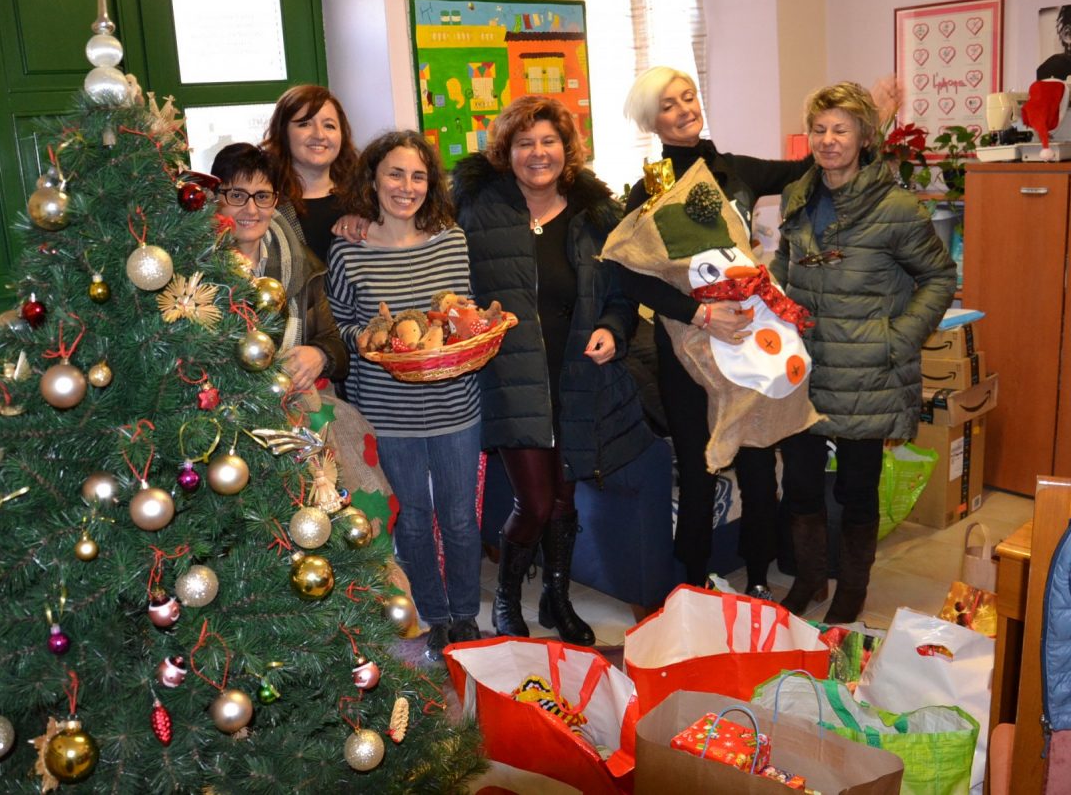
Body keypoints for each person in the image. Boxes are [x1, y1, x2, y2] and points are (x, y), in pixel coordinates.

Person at [453, 96, 653, 644]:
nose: (537, 153)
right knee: (536, 501)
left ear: (567, 150)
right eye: (524, 143)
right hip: (509, 377)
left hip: (577, 377)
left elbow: (621, 293)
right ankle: (508, 601)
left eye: (548, 142)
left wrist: (614, 328)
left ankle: (557, 600)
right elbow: (416, 229)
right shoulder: (476, 205)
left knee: (565, 499)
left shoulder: (596, 215)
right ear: (506, 151)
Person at [618, 66, 814, 596]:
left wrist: (868, 124)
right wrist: (698, 314)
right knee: (699, 469)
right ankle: (694, 588)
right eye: (669, 105)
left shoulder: (736, 172)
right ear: (651, 121)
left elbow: (810, 167)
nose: (685, 109)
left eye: (689, 97)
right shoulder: (648, 189)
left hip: (750, 344)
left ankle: (755, 581)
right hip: (686, 350)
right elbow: (626, 273)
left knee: (756, 467)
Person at [771, 82, 956, 623]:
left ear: (864, 137)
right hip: (802, 366)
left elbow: (940, 278)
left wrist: (897, 339)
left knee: (856, 489)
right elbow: (787, 263)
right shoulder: (797, 197)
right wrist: (766, 296)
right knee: (801, 485)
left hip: (866, 371)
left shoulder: (895, 207)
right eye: (820, 129)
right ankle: (809, 579)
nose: (828, 140)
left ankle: (852, 586)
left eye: (841, 130)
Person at [327, 130, 483, 662]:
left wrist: (462, 329)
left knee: (460, 517)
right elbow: (342, 325)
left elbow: (461, 315)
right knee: (412, 518)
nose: (407, 186)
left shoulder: (451, 239)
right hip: (387, 413)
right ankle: (434, 616)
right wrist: (375, 341)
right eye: (395, 173)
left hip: (455, 405)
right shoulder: (349, 246)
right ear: (373, 178)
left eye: (418, 176)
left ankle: (466, 614)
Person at [210, 143, 347, 391]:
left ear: (274, 202)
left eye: (262, 196)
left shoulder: (300, 263)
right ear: (216, 199)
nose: (251, 210)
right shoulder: (196, 268)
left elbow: (335, 345)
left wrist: (320, 355)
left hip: (294, 415)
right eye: (237, 195)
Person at [261, 85, 358, 262]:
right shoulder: (264, 204)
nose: (319, 135)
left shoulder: (363, 201)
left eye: (329, 126)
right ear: (283, 133)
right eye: (304, 124)